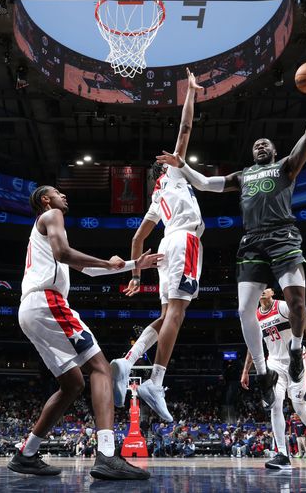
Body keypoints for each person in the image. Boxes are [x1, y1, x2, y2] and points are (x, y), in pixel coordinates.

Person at [156, 69, 306, 408]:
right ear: (252, 154)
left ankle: (295, 349)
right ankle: (265, 372)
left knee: (296, 303)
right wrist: (182, 165)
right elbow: (205, 184)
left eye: (266, 143)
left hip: (283, 236)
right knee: (243, 309)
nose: (261, 144)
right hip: (252, 240)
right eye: (256, 144)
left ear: (275, 151)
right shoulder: (244, 175)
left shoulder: (286, 167)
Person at [8, 185, 158, 480]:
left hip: (31, 310)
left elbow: (85, 268)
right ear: (45, 200)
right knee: (101, 368)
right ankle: (106, 454)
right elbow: (64, 253)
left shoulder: (45, 235)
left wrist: (132, 266)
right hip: (48, 301)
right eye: (58, 192)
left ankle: (26, 453)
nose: (65, 196)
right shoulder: (51, 215)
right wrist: (108, 262)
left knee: (73, 384)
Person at [111, 69, 204, 421]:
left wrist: (136, 274)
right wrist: (191, 94)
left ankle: (128, 360)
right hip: (184, 242)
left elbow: (138, 238)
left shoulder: (155, 197)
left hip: (166, 248)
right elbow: (184, 131)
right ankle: (155, 381)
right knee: (177, 315)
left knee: (167, 315)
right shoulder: (175, 173)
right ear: (164, 168)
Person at [240, 288, 306, 470]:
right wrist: (246, 370)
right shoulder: (255, 317)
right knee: (275, 405)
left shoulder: (283, 306)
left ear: (271, 292)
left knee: (299, 407)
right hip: (274, 363)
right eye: (258, 288)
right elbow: (252, 346)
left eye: (265, 288)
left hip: (295, 361)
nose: (261, 290)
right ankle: (283, 455)